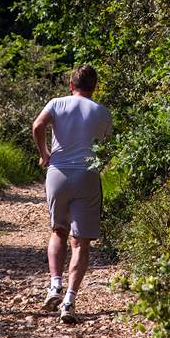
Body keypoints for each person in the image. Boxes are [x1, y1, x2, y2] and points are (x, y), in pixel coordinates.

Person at [31, 65, 112, 323]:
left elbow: (38, 125)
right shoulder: (102, 112)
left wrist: (45, 154)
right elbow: (106, 146)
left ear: (70, 84)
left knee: (58, 231)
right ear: (95, 86)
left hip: (58, 172)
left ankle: (55, 284)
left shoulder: (57, 103)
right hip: (87, 174)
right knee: (81, 241)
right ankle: (69, 299)